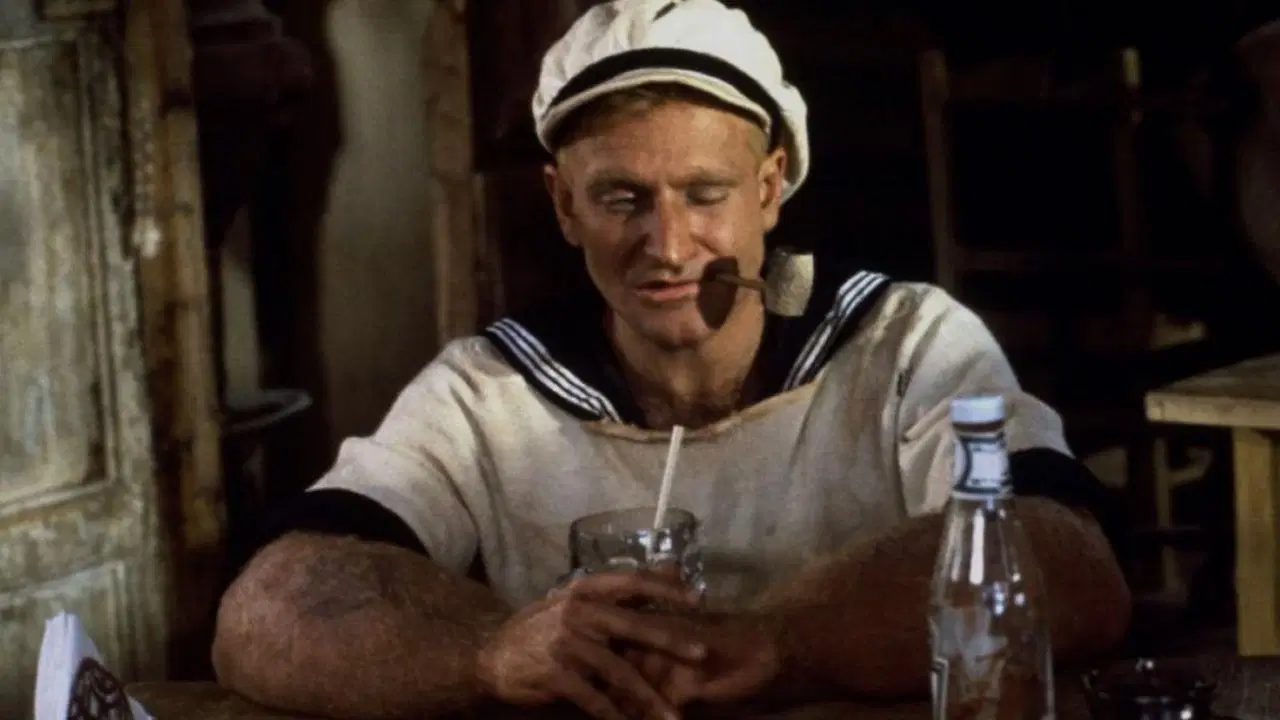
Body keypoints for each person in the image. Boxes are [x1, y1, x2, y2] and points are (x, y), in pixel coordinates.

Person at [212, 1, 1131, 718]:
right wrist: (488, 653)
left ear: (770, 187)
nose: (668, 244)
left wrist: (784, 641)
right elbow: (267, 607)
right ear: (563, 205)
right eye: (621, 198)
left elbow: (1074, 567)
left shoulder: (904, 345)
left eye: (704, 193)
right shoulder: (486, 391)